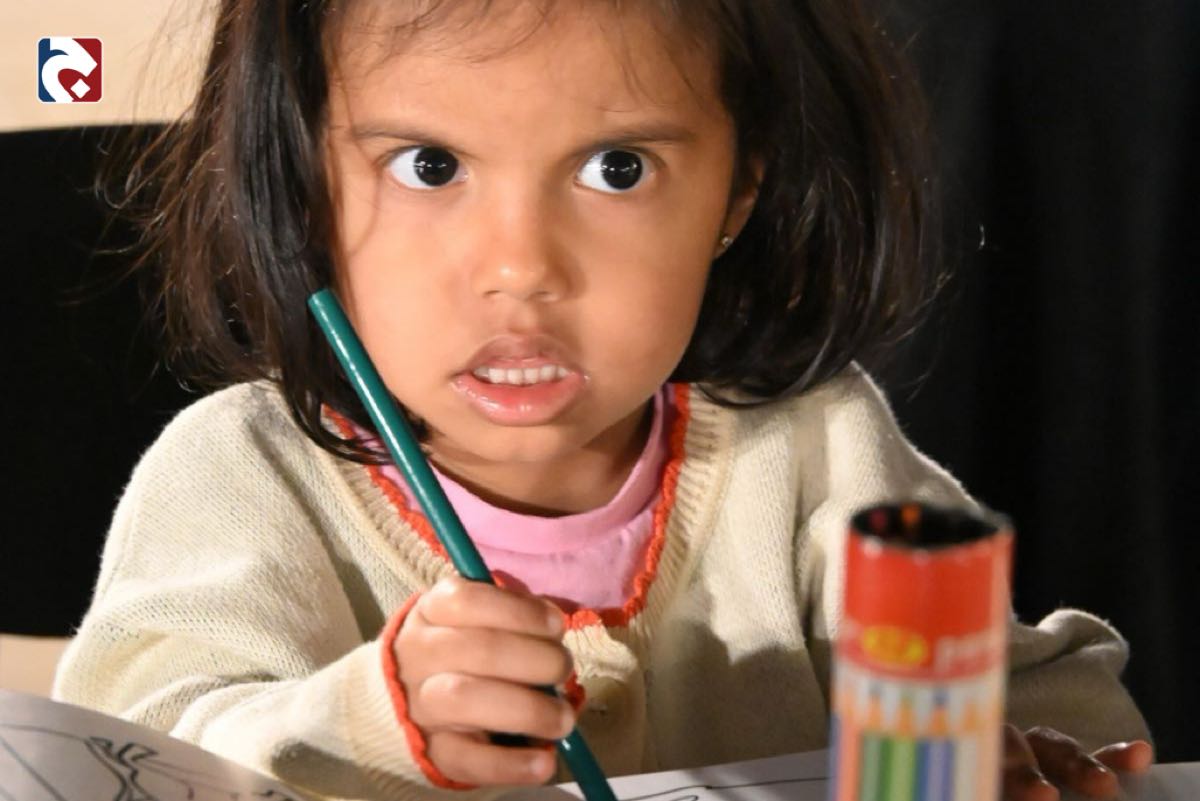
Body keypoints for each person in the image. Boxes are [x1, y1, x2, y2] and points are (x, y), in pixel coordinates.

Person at [54, 1, 1152, 799]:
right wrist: (365, 718)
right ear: (303, 185)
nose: (521, 268)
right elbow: (129, 757)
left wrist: (1031, 753)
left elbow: (1037, 693)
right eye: (428, 166)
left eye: (617, 168)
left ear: (741, 188)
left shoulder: (822, 446)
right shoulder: (239, 472)